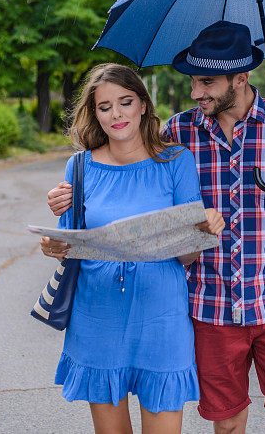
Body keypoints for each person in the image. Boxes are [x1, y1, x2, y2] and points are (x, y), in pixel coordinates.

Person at [47, 21, 265, 434]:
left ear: (241, 78)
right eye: (192, 82)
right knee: (228, 426)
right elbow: (133, 177)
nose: (195, 93)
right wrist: (69, 195)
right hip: (211, 306)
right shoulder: (179, 134)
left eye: (206, 82)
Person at [39, 63, 225, 434]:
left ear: (143, 104)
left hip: (161, 316)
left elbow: (188, 256)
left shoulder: (176, 161)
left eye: (125, 102)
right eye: (105, 107)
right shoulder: (80, 167)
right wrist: (51, 244)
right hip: (97, 317)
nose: (117, 114)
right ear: (94, 114)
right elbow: (67, 244)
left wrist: (204, 230)